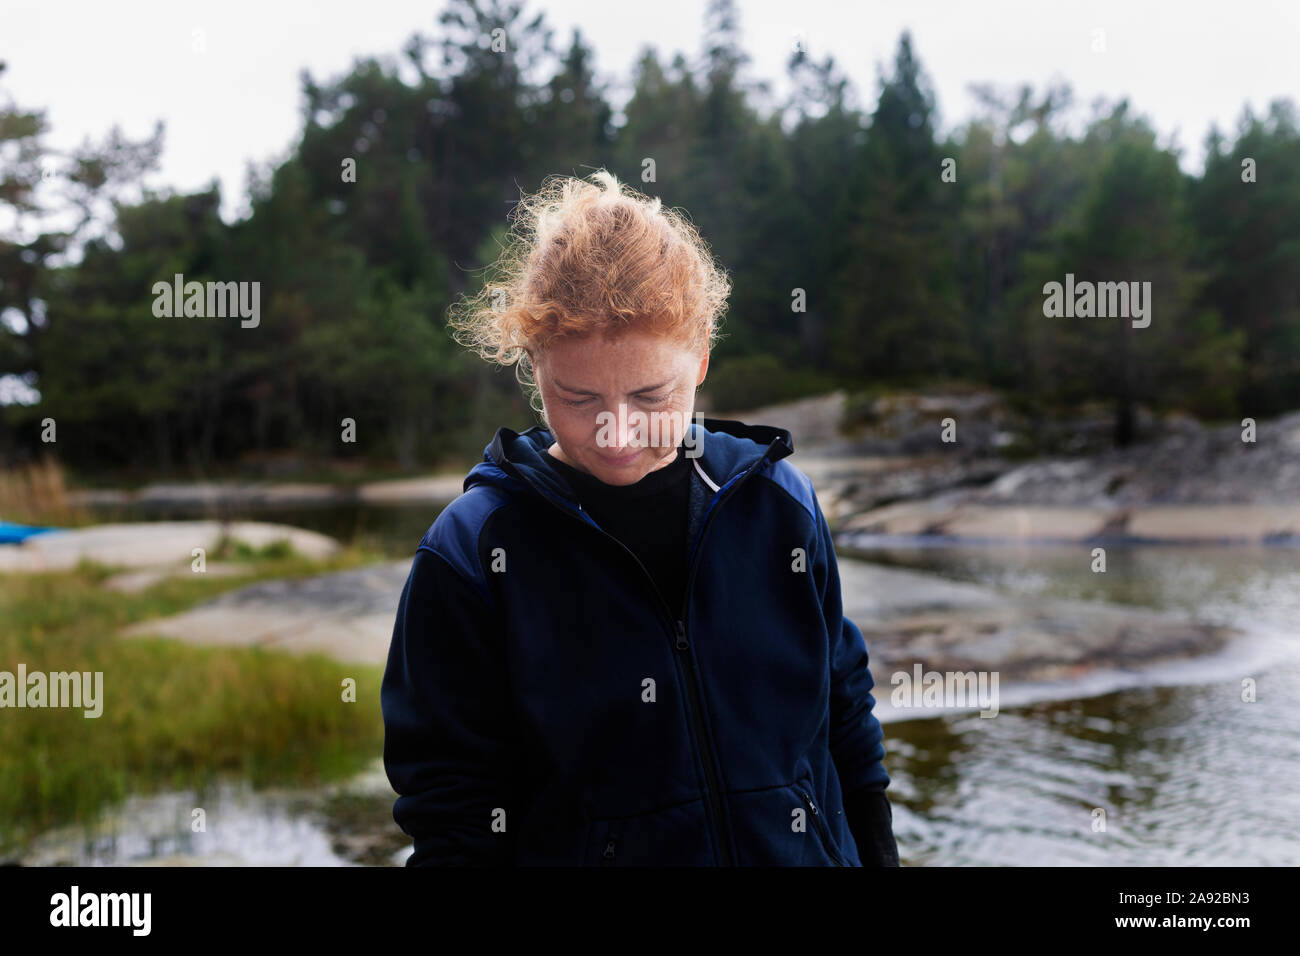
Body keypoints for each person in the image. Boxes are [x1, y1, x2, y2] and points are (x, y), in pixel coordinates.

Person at [381, 169, 899, 866]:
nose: (617, 434)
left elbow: (847, 721)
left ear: (702, 360)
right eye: (578, 396)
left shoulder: (781, 505)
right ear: (534, 368)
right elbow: (451, 811)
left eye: (653, 395)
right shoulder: (473, 553)